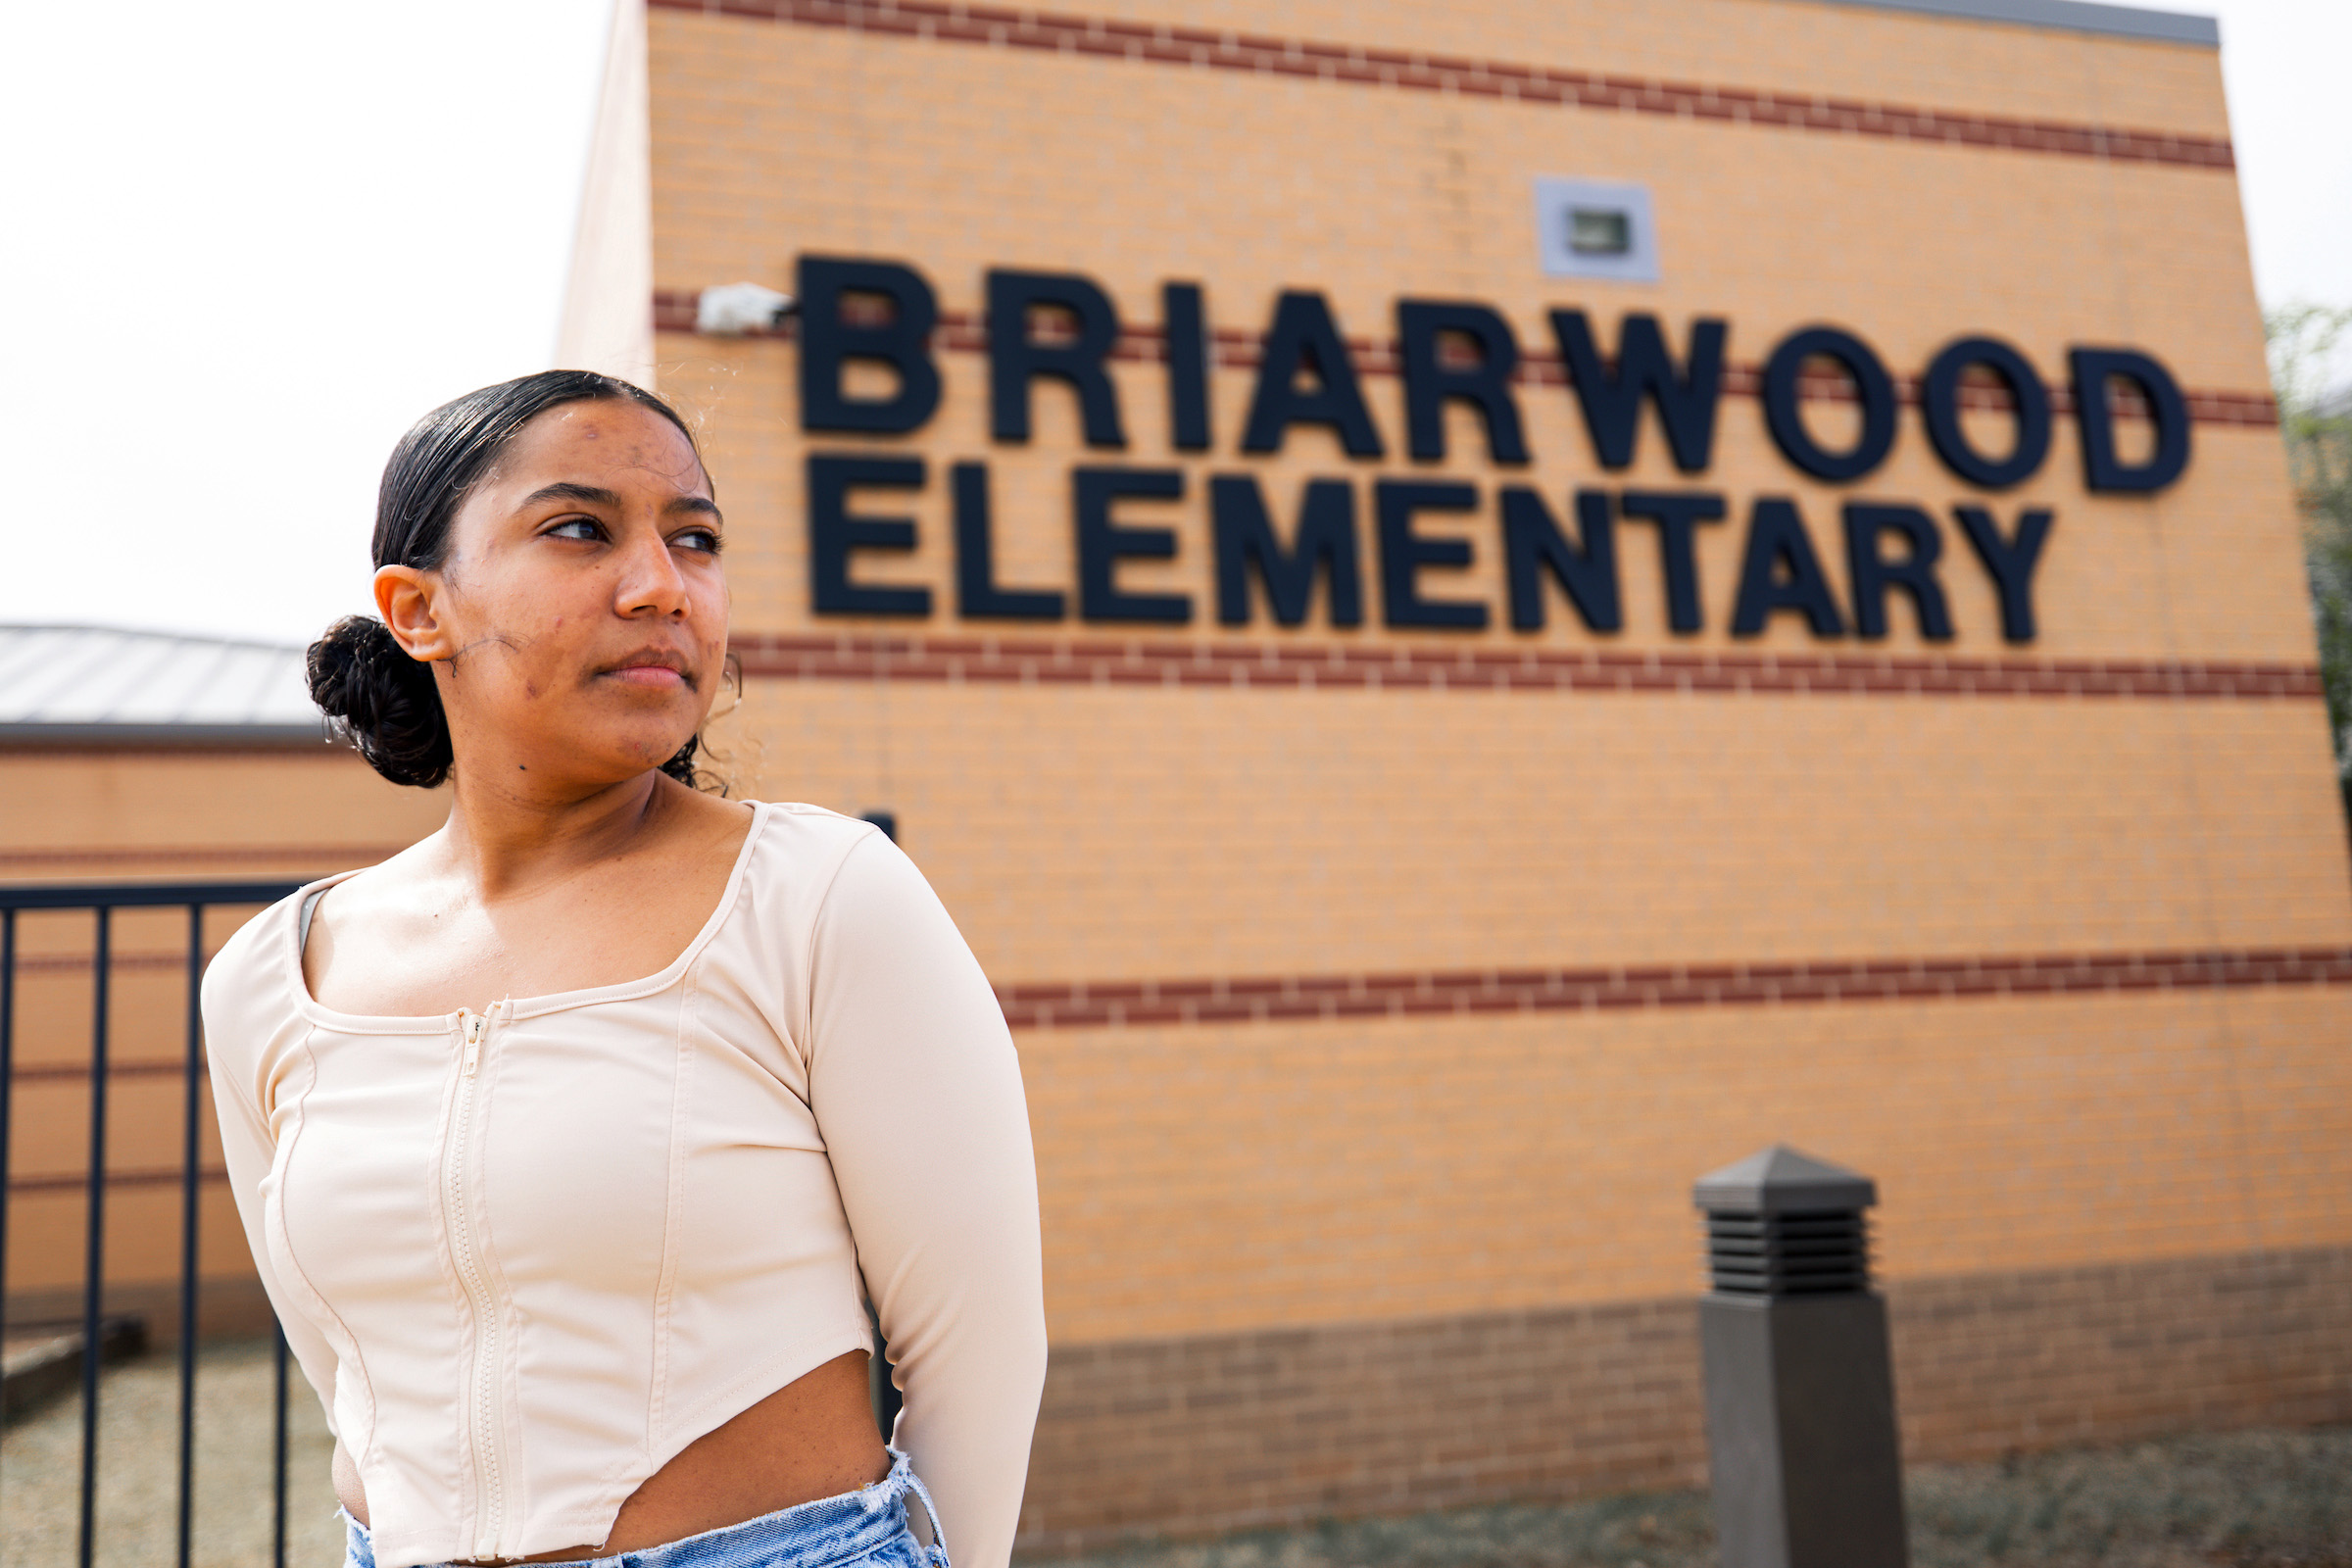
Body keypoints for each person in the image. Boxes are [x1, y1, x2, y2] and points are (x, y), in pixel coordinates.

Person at [200, 370, 1047, 1568]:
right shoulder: (267, 978)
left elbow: (979, 1353)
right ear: (418, 608)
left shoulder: (818, 895)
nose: (663, 585)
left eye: (695, 540)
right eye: (579, 529)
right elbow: (351, 1371)